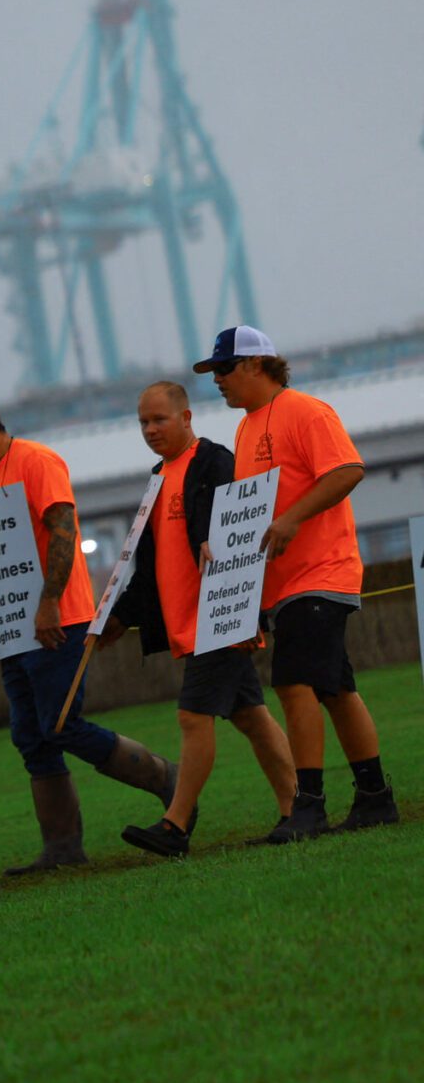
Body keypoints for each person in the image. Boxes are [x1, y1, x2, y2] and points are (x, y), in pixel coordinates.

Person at [0, 390, 175, 874]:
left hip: (58, 623)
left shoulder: (37, 462)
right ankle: (62, 849)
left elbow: (62, 530)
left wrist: (48, 603)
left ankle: (167, 778)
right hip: (17, 631)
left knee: (61, 723)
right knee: (31, 736)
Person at [198, 326, 400, 837]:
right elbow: (253, 512)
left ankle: (307, 805)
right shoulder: (245, 429)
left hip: (322, 573)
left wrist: (291, 519)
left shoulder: (307, 411)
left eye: (223, 369)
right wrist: (224, 551)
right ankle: (375, 797)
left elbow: (348, 469)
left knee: (292, 683)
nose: (217, 380)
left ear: (254, 365)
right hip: (282, 584)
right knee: (336, 689)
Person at [100, 383, 299, 857]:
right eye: (143, 422)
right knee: (251, 716)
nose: (150, 430)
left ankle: (176, 825)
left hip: (220, 617)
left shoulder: (214, 462)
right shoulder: (156, 478)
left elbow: (244, 528)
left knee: (193, 716)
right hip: (186, 627)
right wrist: (117, 618)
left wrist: (245, 606)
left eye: (159, 420)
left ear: (186, 417)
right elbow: (147, 566)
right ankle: (300, 809)